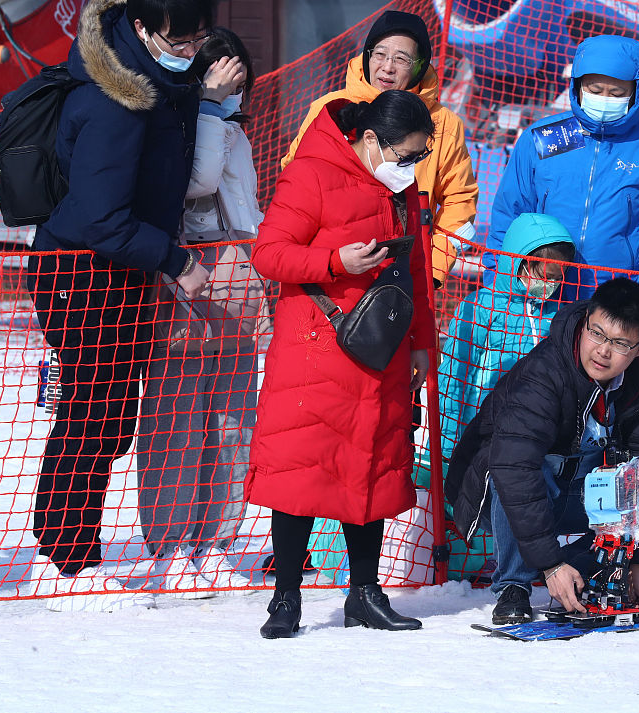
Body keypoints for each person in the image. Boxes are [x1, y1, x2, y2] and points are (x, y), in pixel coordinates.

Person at [24, 0, 214, 612]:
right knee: (90, 416)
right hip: (83, 274)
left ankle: (76, 550)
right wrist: (176, 260)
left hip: (115, 276)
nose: (187, 51)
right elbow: (98, 219)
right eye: (178, 40)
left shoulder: (154, 85)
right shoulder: (116, 101)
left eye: (196, 39)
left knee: (106, 417)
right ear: (139, 29)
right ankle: (65, 559)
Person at [248, 89, 435, 638]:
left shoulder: (404, 191)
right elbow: (268, 251)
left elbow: (417, 275)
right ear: (370, 139)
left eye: (418, 158)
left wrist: (423, 343)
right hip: (315, 347)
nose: (411, 168)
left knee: (371, 471)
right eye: (405, 156)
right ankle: (285, 598)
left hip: (383, 348)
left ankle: (365, 594)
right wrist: (335, 261)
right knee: (300, 472)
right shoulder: (311, 173)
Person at [445, 277, 639, 624]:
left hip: (583, 493)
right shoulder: (545, 371)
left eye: (619, 343)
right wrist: (550, 561)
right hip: (504, 495)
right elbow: (514, 467)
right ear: (586, 318)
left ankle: (585, 569)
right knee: (518, 467)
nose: (602, 350)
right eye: (597, 333)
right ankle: (515, 584)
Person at [134, 27, 259, 595]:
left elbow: (242, 203)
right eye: (224, 76)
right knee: (176, 408)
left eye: (240, 79)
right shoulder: (182, 116)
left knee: (233, 413)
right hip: (187, 267)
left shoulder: (234, 126)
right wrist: (207, 107)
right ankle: (167, 540)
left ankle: (216, 538)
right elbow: (198, 182)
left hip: (237, 263)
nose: (236, 88)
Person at [487, 35, 639, 327]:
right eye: (595, 89)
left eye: (617, 92)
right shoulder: (547, 137)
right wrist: (498, 283)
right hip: (543, 296)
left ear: (637, 91)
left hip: (619, 305)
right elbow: (510, 214)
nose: (605, 99)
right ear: (578, 86)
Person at [281, 10, 476, 288]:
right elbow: (294, 179)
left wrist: (433, 269)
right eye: (380, 54)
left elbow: (459, 199)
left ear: (420, 66)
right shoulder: (329, 109)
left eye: (401, 59)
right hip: (333, 269)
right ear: (367, 56)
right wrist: (320, 258)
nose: (387, 67)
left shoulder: (444, 124)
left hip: (407, 274)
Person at [436, 213, 575, 459]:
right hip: (477, 435)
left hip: (530, 436)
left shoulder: (556, 315)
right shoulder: (481, 307)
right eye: (544, 276)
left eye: (556, 278)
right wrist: (447, 443)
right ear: (519, 264)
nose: (550, 284)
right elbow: (452, 377)